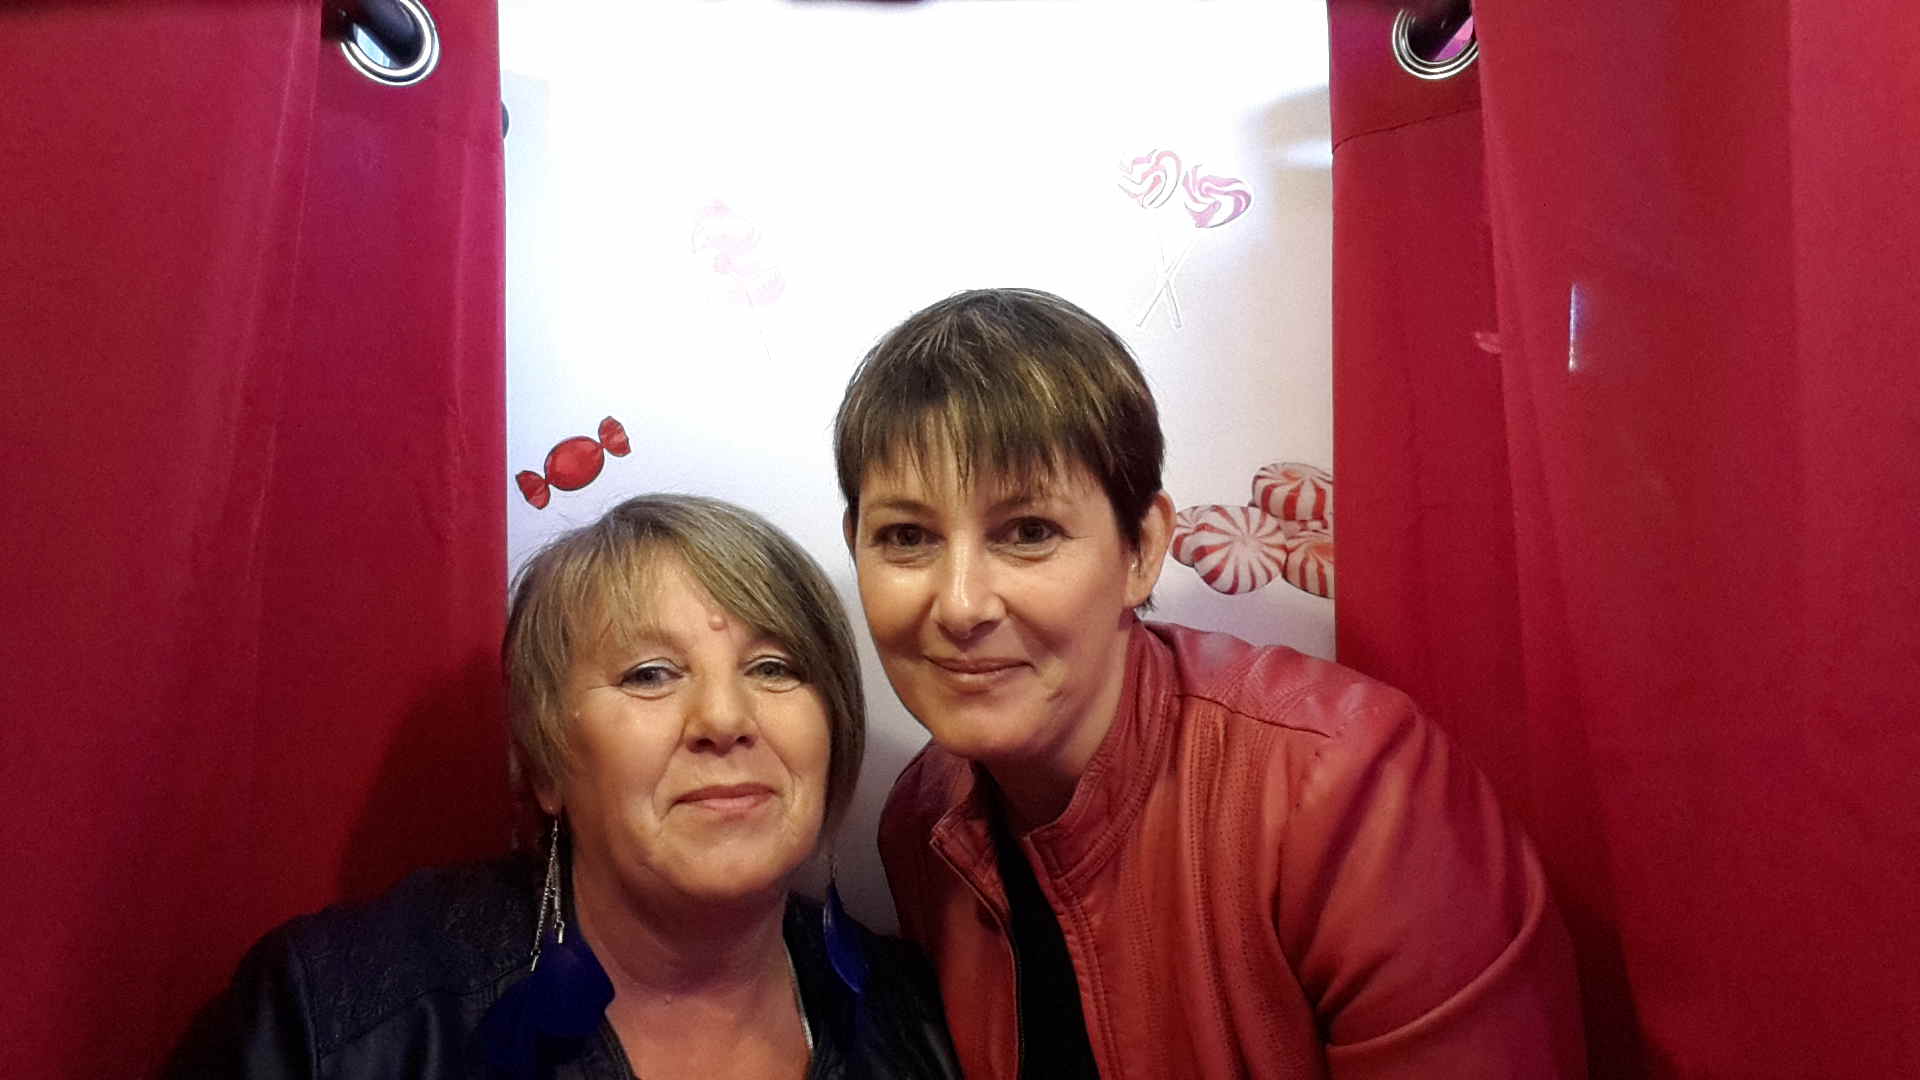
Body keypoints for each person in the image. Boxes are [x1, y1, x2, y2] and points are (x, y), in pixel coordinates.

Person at [834, 289, 1585, 1078]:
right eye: (907, 536)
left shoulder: (1350, 793)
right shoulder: (921, 823)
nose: (960, 605)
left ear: (1142, 550)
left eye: (1029, 532)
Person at [169, 494, 959, 1079]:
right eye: (650, 674)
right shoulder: (330, 1017)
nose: (724, 718)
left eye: (773, 667)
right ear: (546, 763)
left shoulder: (922, 1024)